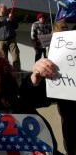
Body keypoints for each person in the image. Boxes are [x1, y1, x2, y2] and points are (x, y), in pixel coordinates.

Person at [46, 19, 75, 155]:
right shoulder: (54, 44)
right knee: (69, 124)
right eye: (63, 27)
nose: (65, 29)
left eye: (66, 27)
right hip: (65, 91)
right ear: (56, 29)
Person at [0, 3, 21, 71]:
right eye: (4, 9)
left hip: (11, 39)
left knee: (15, 55)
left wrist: (12, 19)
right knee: (3, 58)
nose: (6, 10)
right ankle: (5, 71)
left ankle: (17, 70)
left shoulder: (8, 17)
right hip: (1, 40)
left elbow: (16, 26)